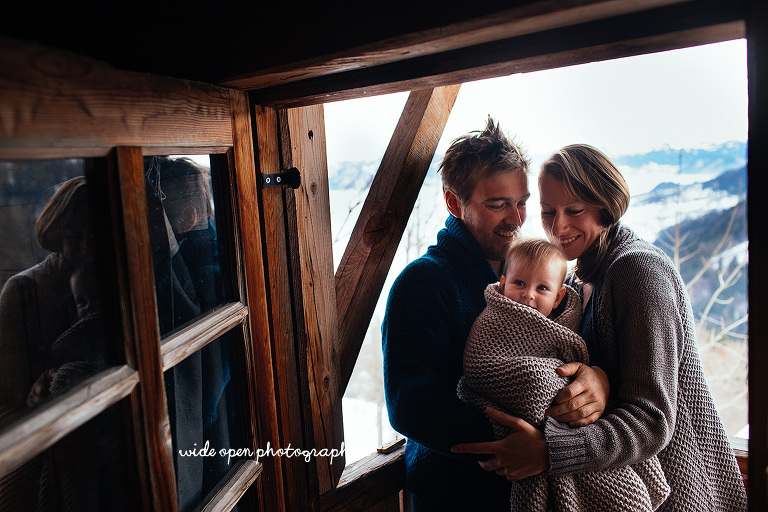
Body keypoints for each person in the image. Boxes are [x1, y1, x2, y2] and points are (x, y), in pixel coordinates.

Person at [453, 144, 747, 511]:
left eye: (574, 211)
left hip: (678, 490)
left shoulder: (639, 271)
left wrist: (550, 451)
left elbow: (652, 419)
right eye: (547, 211)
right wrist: (597, 376)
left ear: (606, 207)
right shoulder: (579, 279)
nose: (558, 227)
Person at [382, 119, 610, 511]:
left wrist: (596, 379)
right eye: (497, 204)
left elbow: (560, 349)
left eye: (521, 202)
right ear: (455, 204)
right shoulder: (423, 282)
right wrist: (517, 439)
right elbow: (410, 403)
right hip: (457, 494)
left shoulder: (530, 274)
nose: (516, 218)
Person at [458, 238, 669, 511]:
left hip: (579, 439)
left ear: (558, 297)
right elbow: (481, 364)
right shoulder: (493, 319)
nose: (528, 295)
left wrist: (594, 378)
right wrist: (551, 383)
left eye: (542, 288)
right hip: (536, 428)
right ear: (502, 283)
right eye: (519, 283)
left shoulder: (573, 317)